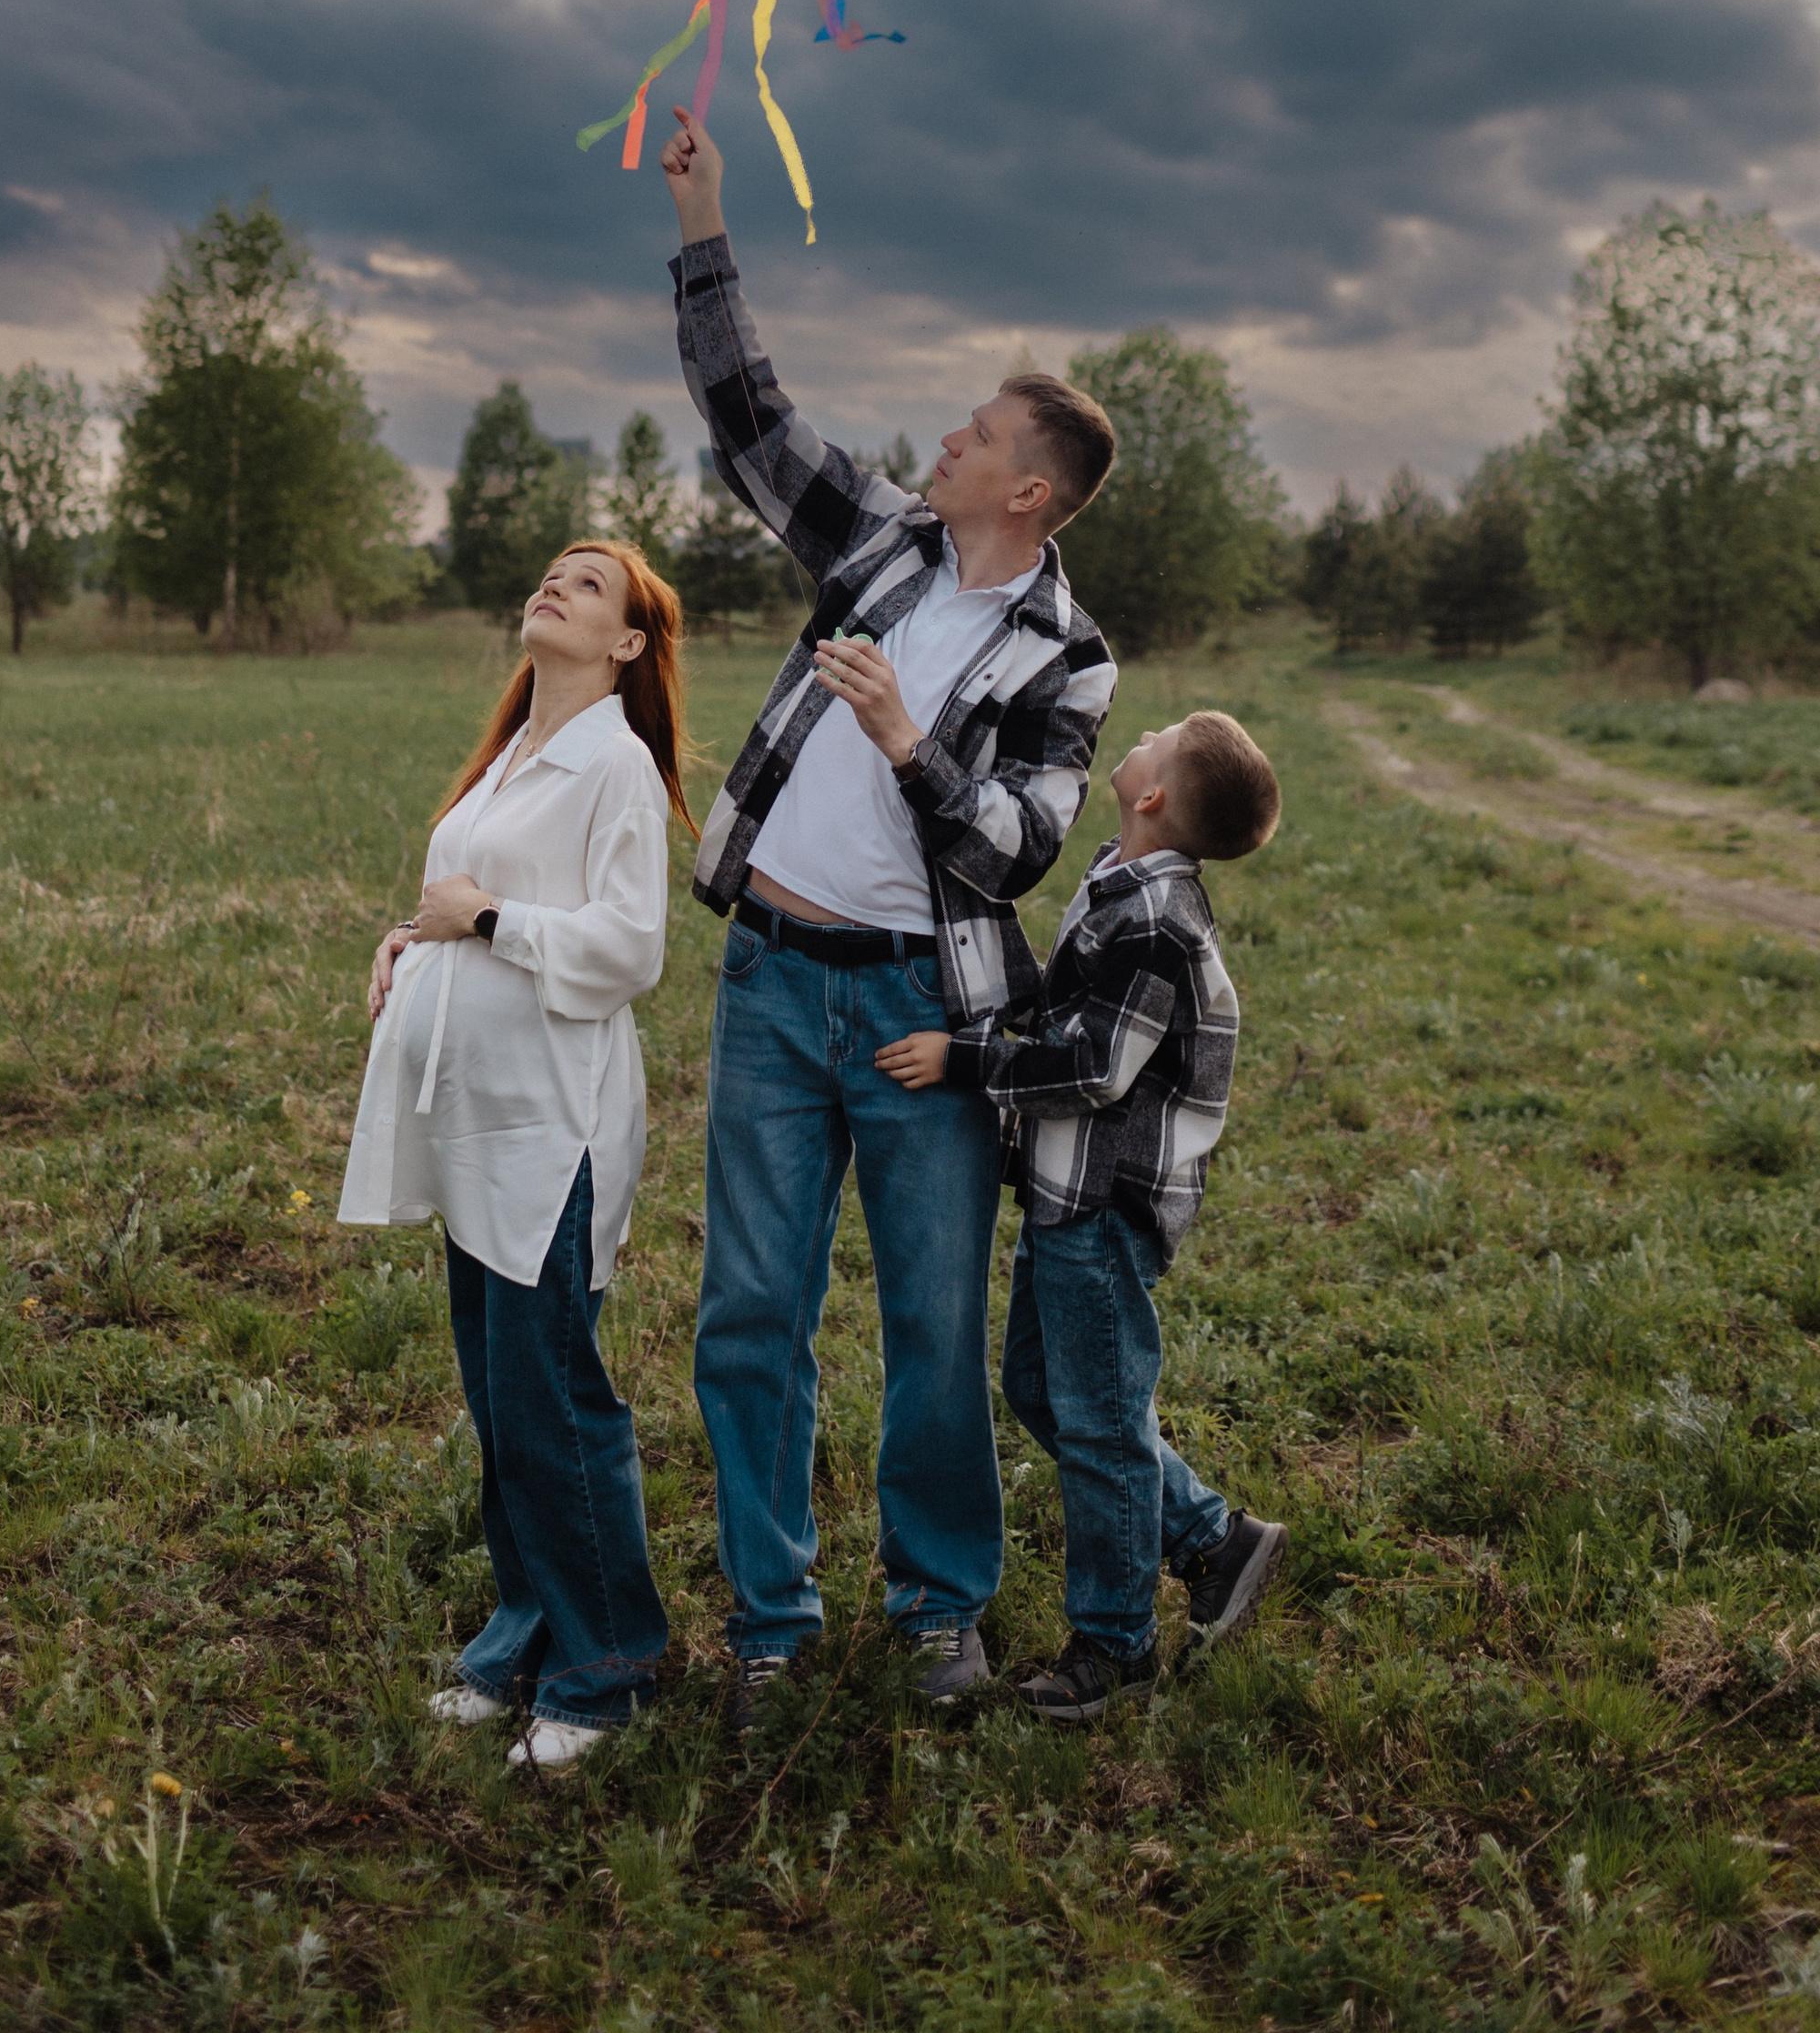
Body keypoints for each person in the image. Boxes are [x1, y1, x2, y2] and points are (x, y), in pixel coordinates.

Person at [660, 104, 1120, 1726]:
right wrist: (705, 227)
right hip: (774, 988)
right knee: (751, 1312)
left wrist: (906, 745)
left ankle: (941, 1614)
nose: (944, 440)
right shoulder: (877, 546)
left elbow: (1014, 853)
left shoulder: (1072, 661)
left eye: (975, 434)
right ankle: (770, 1621)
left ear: (1036, 486)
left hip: (929, 1025)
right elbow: (749, 421)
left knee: (931, 1328)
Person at [337, 541, 691, 1774]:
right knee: (501, 1398)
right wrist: (408, 939)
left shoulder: (620, 767)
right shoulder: (512, 757)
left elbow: (630, 947)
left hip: (552, 1124)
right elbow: (459, 901)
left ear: (630, 645)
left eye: (590, 585)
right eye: (550, 572)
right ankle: (526, 1634)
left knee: (553, 1399)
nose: (556, 585)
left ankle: (608, 1668)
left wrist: (481, 920)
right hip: (471, 1120)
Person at [876, 707, 1287, 1723]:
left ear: (1150, 793)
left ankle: (1114, 1644)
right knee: (1039, 1386)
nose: (1139, 736)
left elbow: (1100, 1067)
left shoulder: (1155, 919)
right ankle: (1210, 1539)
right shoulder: (1121, 877)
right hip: (1069, 1194)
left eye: (1160, 736)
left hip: (1105, 1203)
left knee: (1101, 1426)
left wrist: (964, 1059)